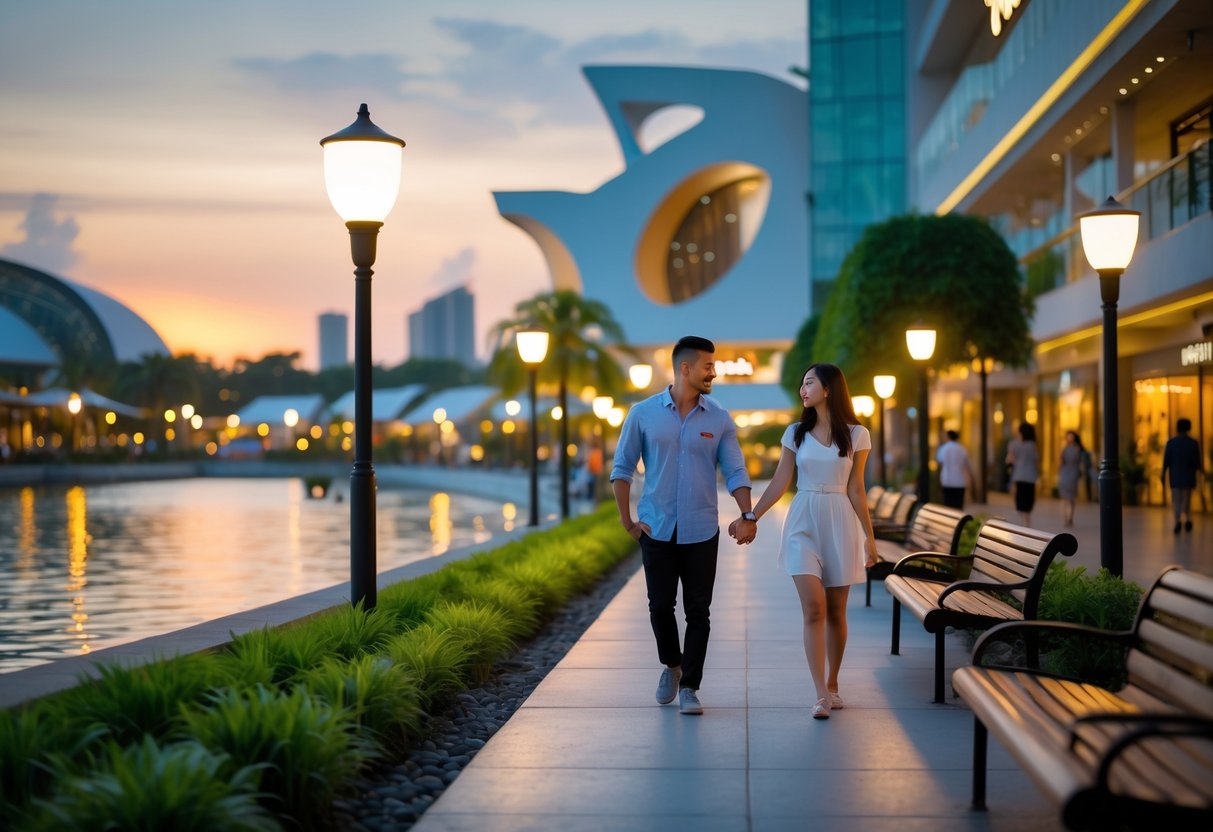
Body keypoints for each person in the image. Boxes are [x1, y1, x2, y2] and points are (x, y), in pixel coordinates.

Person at [611, 335, 753, 716]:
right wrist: (628, 522)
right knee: (659, 607)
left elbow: (735, 470)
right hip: (656, 528)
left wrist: (748, 513)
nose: (714, 371)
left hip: (701, 529)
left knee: (699, 612)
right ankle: (671, 665)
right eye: (708, 365)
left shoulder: (719, 418)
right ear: (684, 368)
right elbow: (621, 469)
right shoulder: (642, 413)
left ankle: (690, 685)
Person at [732, 363, 877, 720]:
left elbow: (857, 489)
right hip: (803, 519)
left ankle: (833, 682)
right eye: (802, 383)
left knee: (836, 610)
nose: (803, 388)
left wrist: (870, 539)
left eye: (809, 382)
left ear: (828, 389)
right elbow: (781, 482)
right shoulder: (795, 433)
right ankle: (819, 695)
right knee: (814, 607)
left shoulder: (857, 435)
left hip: (840, 518)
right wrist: (751, 516)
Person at [1161, 418, 1203, 534]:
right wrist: (1200, 473)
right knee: (1187, 499)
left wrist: (1162, 474)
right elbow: (1197, 462)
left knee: (1176, 500)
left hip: (1175, 477)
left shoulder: (1171, 443)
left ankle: (1177, 521)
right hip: (1189, 477)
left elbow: (1166, 461)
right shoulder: (1193, 443)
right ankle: (1188, 518)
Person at [1006, 422, 1039, 526]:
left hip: (1019, 475)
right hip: (1031, 476)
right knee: (1029, 499)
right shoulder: (1033, 445)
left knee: (1020, 499)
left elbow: (1010, 459)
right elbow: (1036, 460)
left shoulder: (1013, 444)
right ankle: (1027, 520)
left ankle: (1024, 521)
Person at [936, 430, 974, 509]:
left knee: (948, 507)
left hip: (947, 481)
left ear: (947, 437)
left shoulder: (943, 449)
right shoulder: (962, 449)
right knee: (958, 507)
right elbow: (966, 465)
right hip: (959, 481)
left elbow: (940, 463)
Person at [1057, 430, 1085, 527]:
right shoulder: (1064, 449)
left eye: (1071, 437)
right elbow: (1060, 461)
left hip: (1073, 473)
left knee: (1071, 497)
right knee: (1065, 497)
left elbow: (1080, 462)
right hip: (1065, 473)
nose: (1069, 439)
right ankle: (1066, 518)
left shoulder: (1078, 449)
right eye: (1068, 437)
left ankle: (1070, 517)